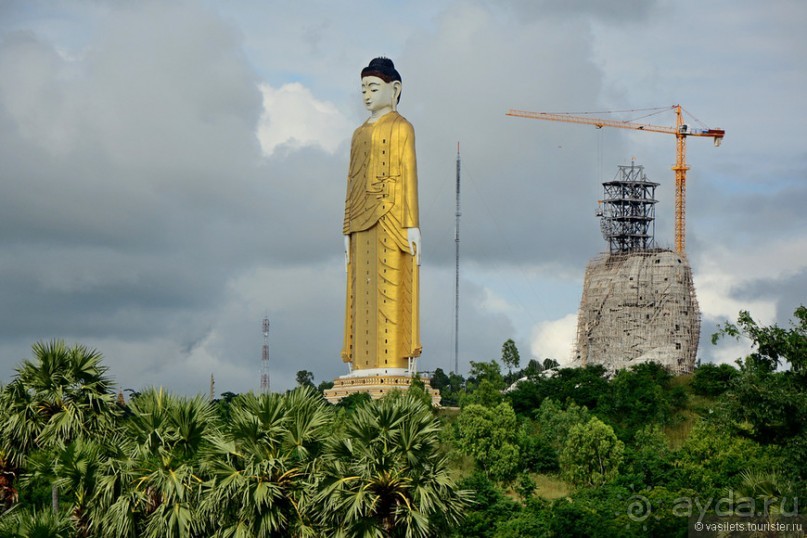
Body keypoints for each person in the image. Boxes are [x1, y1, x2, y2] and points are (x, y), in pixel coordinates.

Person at [341, 57, 422, 371]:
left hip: (392, 215)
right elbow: (350, 180)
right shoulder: (358, 133)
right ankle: (361, 365)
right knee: (361, 290)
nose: (366, 94)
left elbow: (409, 173)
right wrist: (346, 228)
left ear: (395, 88)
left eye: (373, 87)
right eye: (363, 88)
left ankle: (393, 364)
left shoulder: (403, 128)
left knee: (391, 287)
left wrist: (412, 223)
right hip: (360, 220)